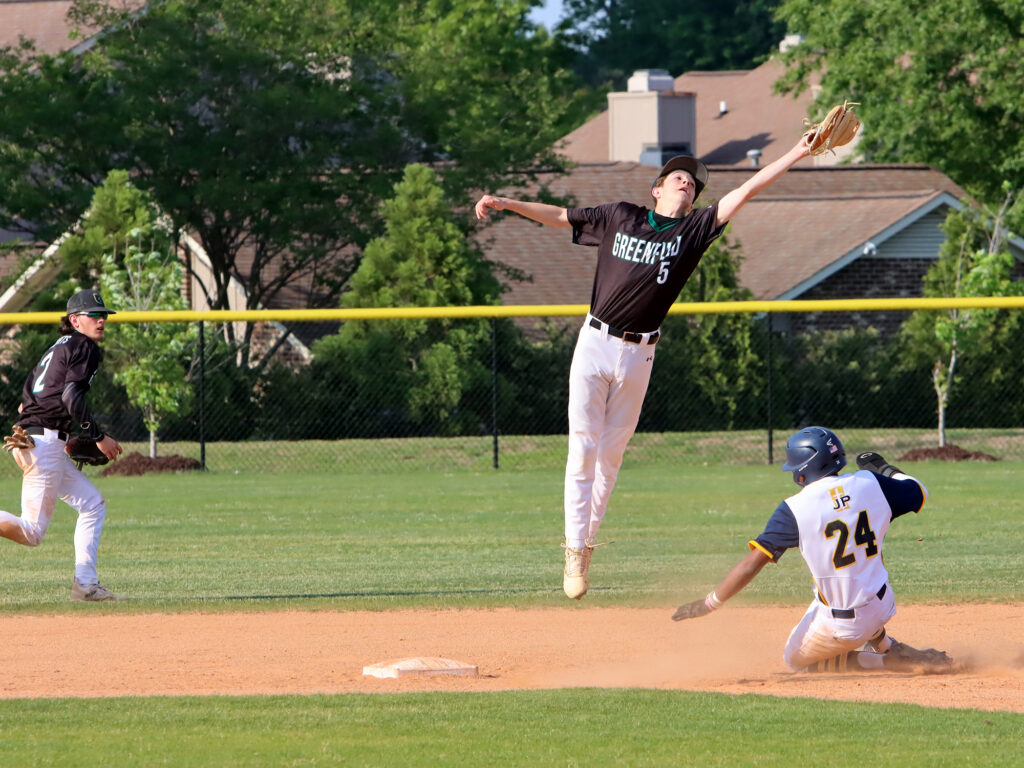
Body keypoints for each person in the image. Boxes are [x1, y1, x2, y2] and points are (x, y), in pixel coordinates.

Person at [475, 133, 814, 599]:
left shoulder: (693, 231)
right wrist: (506, 202)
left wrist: (799, 151)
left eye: (693, 184)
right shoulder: (620, 216)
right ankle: (574, 548)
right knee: (582, 450)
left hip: (640, 354)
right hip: (595, 343)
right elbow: (558, 215)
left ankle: (587, 544)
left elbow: (748, 189)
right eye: (678, 177)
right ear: (656, 189)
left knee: (610, 459)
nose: (687, 184)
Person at [671, 426, 955, 674]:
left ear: (803, 471)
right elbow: (918, 490)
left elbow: (750, 565)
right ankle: (885, 644)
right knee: (838, 587)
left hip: (844, 624)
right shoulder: (872, 483)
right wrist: (883, 467)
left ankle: (887, 661)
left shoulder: (794, 509)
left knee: (794, 659)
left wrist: (710, 603)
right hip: (884, 604)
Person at [1, 288, 125, 601]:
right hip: (43, 442)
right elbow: (71, 396)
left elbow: (25, 403)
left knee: (92, 504)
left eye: (103, 316)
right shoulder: (85, 346)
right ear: (74, 320)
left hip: (35, 438)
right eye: (93, 315)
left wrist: (66, 438)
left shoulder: (54, 349)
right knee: (31, 532)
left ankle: (85, 585)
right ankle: (85, 585)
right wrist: (98, 437)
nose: (100, 321)